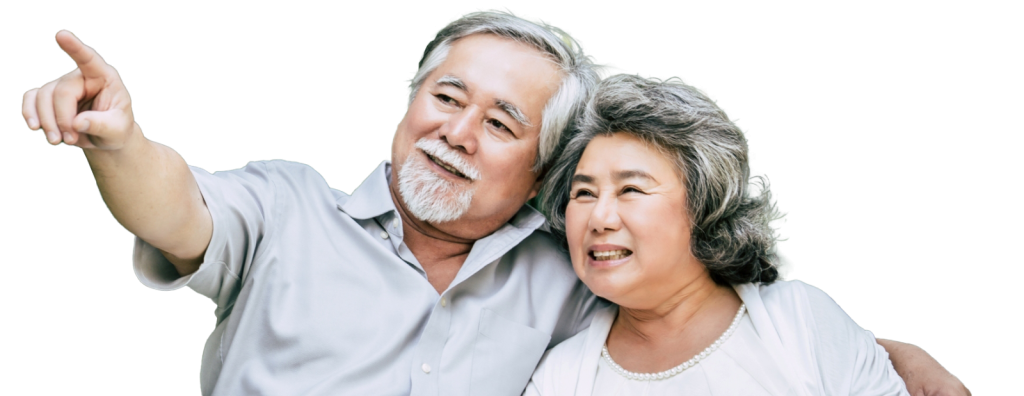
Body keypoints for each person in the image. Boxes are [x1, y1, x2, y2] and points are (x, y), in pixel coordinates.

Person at [19, 10, 968, 396]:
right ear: (408, 102)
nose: (457, 132)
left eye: (502, 121)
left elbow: (696, 310)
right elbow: (175, 208)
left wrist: (885, 356)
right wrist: (122, 141)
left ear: (539, 169)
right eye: (444, 97)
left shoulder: (571, 265)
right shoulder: (288, 211)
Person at [526, 74, 968, 395]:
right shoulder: (560, 379)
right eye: (583, 192)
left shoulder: (799, 320)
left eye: (631, 189)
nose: (599, 217)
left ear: (704, 204)